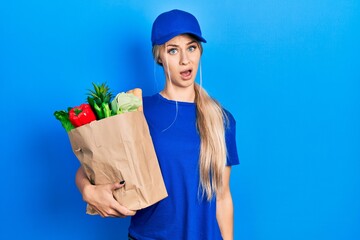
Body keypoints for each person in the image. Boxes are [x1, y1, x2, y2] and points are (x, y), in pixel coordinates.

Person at [75, 9, 239, 240]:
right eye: (173, 50)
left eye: (191, 47)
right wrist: (88, 191)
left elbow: (222, 198)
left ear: (200, 51)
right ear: (159, 57)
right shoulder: (137, 109)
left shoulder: (221, 119)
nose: (185, 59)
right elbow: (88, 168)